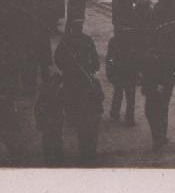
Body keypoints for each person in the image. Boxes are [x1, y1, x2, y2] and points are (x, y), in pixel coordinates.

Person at [54, 19, 103, 166]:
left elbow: (58, 59)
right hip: (80, 76)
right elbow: (94, 59)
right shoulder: (84, 40)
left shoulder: (66, 41)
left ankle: (74, 115)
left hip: (73, 76)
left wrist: (66, 68)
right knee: (79, 97)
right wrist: (92, 68)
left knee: (73, 97)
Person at [140, 37, 175, 150]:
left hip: (163, 88)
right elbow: (143, 68)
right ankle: (160, 136)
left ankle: (158, 138)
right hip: (151, 87)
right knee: (151, 112)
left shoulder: (171, 52)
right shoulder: (149, 50)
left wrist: (165, 85)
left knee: (159, 111)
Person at [105, 31, 140, 126]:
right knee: (128, 95)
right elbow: (137, 59)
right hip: (127, 72)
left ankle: (116, 114)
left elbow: (110, 58)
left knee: (119, 93)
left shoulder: (115, 41)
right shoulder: (134, 41)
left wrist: (110, 70)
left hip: (121, 71)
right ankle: (128, 117)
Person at [34, 73, 65, 167]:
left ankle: (49, 160)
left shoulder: (45, 92)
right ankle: (58, 160)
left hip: (48, 120)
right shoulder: (60, 92)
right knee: (57, 139)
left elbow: (37, 108)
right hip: (55, 120)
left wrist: (38, 121)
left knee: (48, 140)